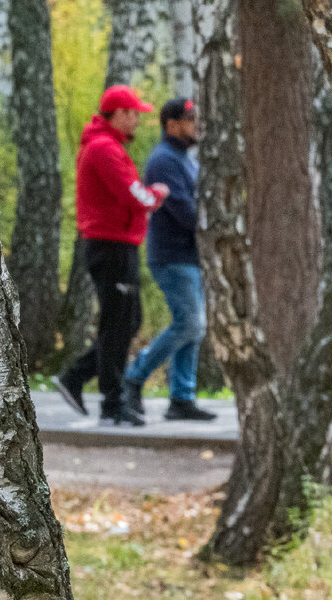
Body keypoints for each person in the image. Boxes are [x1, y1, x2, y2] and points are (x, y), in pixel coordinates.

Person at [53, 85, 168, 426]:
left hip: (118, 244)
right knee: (118, 323)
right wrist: (156, 194)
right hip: (110, 245)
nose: (138, 121)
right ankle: (111, 403)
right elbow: (133, 195)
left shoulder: (108, 146)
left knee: (125, 321)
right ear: (118, 114)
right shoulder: (104, 149)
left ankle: (76, 378)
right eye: (134, 114)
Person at [120, 98, 217, 421]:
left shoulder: (186, 160)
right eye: (190, 118)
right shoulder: (164, 160)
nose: (196, 124)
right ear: (172, 124)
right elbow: (185, 211)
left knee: (193, 327)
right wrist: (213, 227)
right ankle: (134, 376)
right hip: (171, 255)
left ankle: (181, 398)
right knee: (190, 323)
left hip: (190, 256)